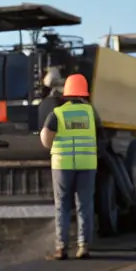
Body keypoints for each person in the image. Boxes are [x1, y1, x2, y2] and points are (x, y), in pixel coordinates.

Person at [39, 73, 97, 260]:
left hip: (63, 165)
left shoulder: (57, 114)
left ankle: (61, 248)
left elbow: (47, 138)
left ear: (66, 93)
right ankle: (83, 246)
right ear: (84, 93)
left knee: (62, 206)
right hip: (87, 164)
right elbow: (102, 136)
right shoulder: (91, 113)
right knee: (84, 206)